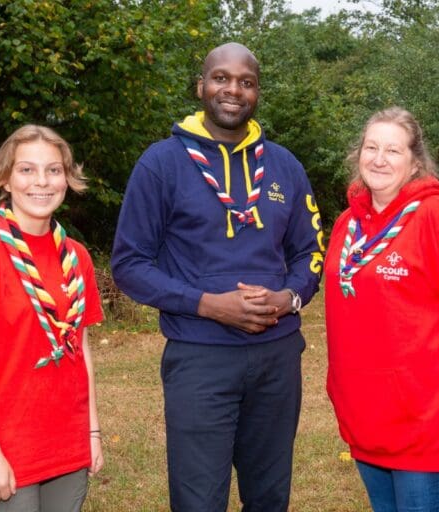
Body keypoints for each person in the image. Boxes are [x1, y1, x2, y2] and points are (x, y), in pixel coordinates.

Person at [110, 42, 323, 511]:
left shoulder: (284, 165)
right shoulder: (161, 164)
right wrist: (208, 304)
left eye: (246, 82)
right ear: (201, 86)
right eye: (221, 78)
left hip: (276, 356)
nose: (233, 90)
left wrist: (289, 297)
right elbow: (129, 264)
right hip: (199, 356)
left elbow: (310, 252)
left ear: (257, 93)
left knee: (269, 496)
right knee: (199, 499)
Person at [324, 107, 439, 512]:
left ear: (415, 162)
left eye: (393, 150)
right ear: (358, 154)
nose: (379, 159)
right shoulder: (347, 225)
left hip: (421, 416)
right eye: (371, 147)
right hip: (363, 411)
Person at [0, 124, 105, 511]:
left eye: (53, 170)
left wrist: (92, 431)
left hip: (65, 443)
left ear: (67, 179)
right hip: (3, 448)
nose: (42, 182)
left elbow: (80, 348)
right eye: (27, 170)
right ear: (5, 179)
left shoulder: (76, 257)